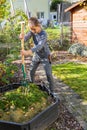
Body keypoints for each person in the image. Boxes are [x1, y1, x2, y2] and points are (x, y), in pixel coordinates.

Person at [19, 17, 55, 94]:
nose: (33, 31)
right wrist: (22, 37)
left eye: (34, 29)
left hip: (45, 56)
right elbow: (25, 38)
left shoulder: (43, 34)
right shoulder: (32, 31)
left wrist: (28, 52)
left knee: (48, 74)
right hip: (37, 55)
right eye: (31, 29)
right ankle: (32, 86)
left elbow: (39, 46)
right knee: (31, 71)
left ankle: (52, 91)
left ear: (38, 25)